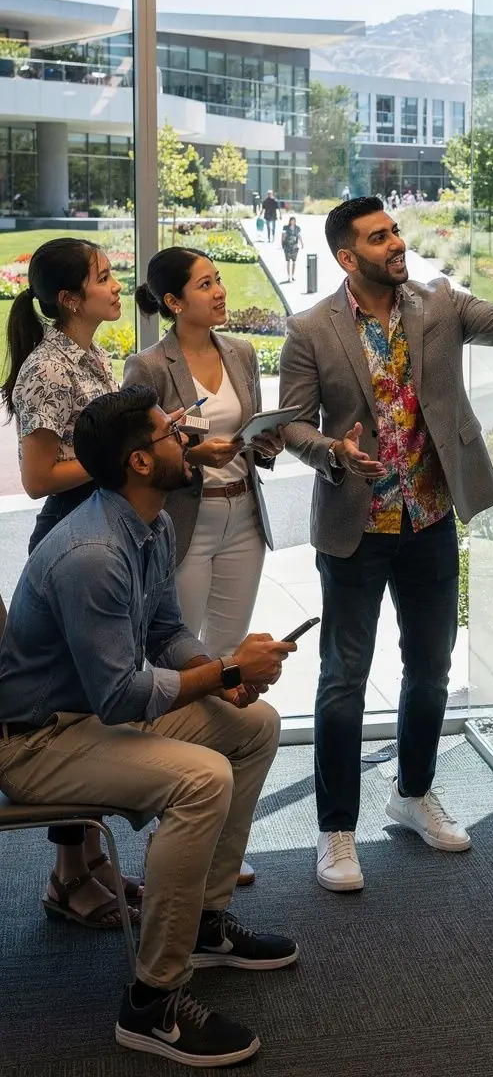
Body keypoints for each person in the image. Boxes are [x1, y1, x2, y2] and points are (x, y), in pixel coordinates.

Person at [278, 194, 493, 891]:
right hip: (355, 528)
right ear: (347, 257)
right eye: (378, 237)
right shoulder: (310, 329)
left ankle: (414, 792)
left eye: (395, 231)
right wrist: (334, 451)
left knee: (429, 668)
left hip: (428, 519)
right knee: (343, 679)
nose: (396, 243)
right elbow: (292, 425)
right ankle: (336, 828)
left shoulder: (440, 303)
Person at [0, 386, 297, 1067]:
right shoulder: (93, 553)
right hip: (38, 742)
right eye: (172, 433)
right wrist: (225, 670)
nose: (186, 441)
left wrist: (221, 676)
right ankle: (151, 1000)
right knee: (204, 779)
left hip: (85, 720)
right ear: (139, 461)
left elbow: (166, 632)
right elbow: (119, 696)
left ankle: (204, 925)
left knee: (254, 726)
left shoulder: (151, 524)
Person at [125, 248, 285, 886]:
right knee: (185, 663)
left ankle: (216, 831)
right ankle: (176, 823)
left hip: (243, 515)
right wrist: (194, 451)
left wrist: (267, 441)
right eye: (205, 284)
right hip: (185, 520)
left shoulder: (240, 352)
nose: (219, 292)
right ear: (172, 302)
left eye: (219, 281)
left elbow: (255, 440)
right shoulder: (147, 365)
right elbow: (139, 451)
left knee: (228, 660)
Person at [0, 237, 141, 930]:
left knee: (92, 706)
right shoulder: (48, 368)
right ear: (68, 299)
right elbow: (37, 479)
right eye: (104, 277)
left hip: (97, 531)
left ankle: (90, 860)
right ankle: (67, 875)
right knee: (71, 709)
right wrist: (118, 457)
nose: (117, 287)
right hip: (68, 544)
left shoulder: (89, 357)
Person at [281, 214, 303, 284]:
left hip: (294, 247)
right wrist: (282, 244)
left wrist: (302, 243)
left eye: (294, 221)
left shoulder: (297, 228)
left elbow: (299, 236)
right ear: (290, 221)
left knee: (294, 261)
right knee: (288, 261)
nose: (292, 222)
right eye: (292, 221)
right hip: (287, 246)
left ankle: (292, 275)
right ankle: (288, 276)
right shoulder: (285, 228)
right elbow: (283, 236)